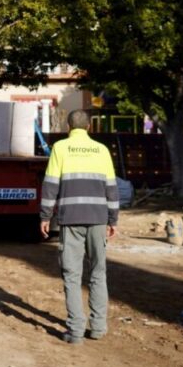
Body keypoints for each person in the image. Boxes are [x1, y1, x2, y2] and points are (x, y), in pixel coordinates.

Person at [40, 109, 119, 344]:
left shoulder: (61, 148)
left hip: (70, 219)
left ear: (68, 127)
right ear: (89, 128)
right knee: (98, 273)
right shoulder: (101, 150)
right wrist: (113, 219)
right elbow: (112, 188)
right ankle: (98, 327)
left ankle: (75, 331)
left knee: (72, 275)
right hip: (98, 218)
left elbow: (50, 185)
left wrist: (44, 216)